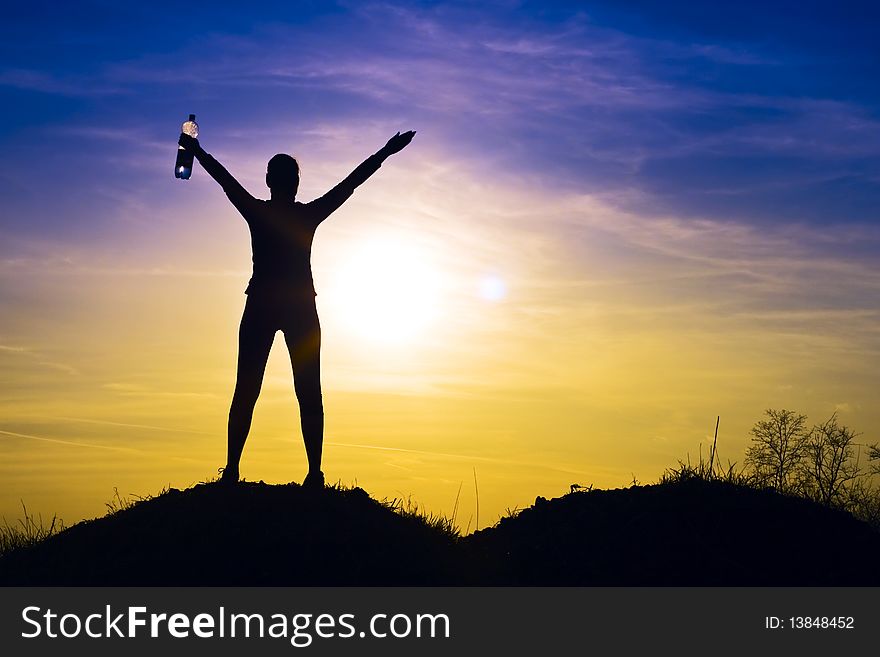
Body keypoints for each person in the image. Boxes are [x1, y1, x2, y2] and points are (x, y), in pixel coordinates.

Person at [178, 128, 416, 488]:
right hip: (298, 308)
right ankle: (311, 472)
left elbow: (226, 182)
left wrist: (198, 151)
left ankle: (234, 469)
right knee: (305, 391)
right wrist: (385, 151)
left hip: (265, 305)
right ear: (294, 183)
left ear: (270, 181)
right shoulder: (306, 215)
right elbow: (349, 185)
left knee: (250, 388)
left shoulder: (260, 212)